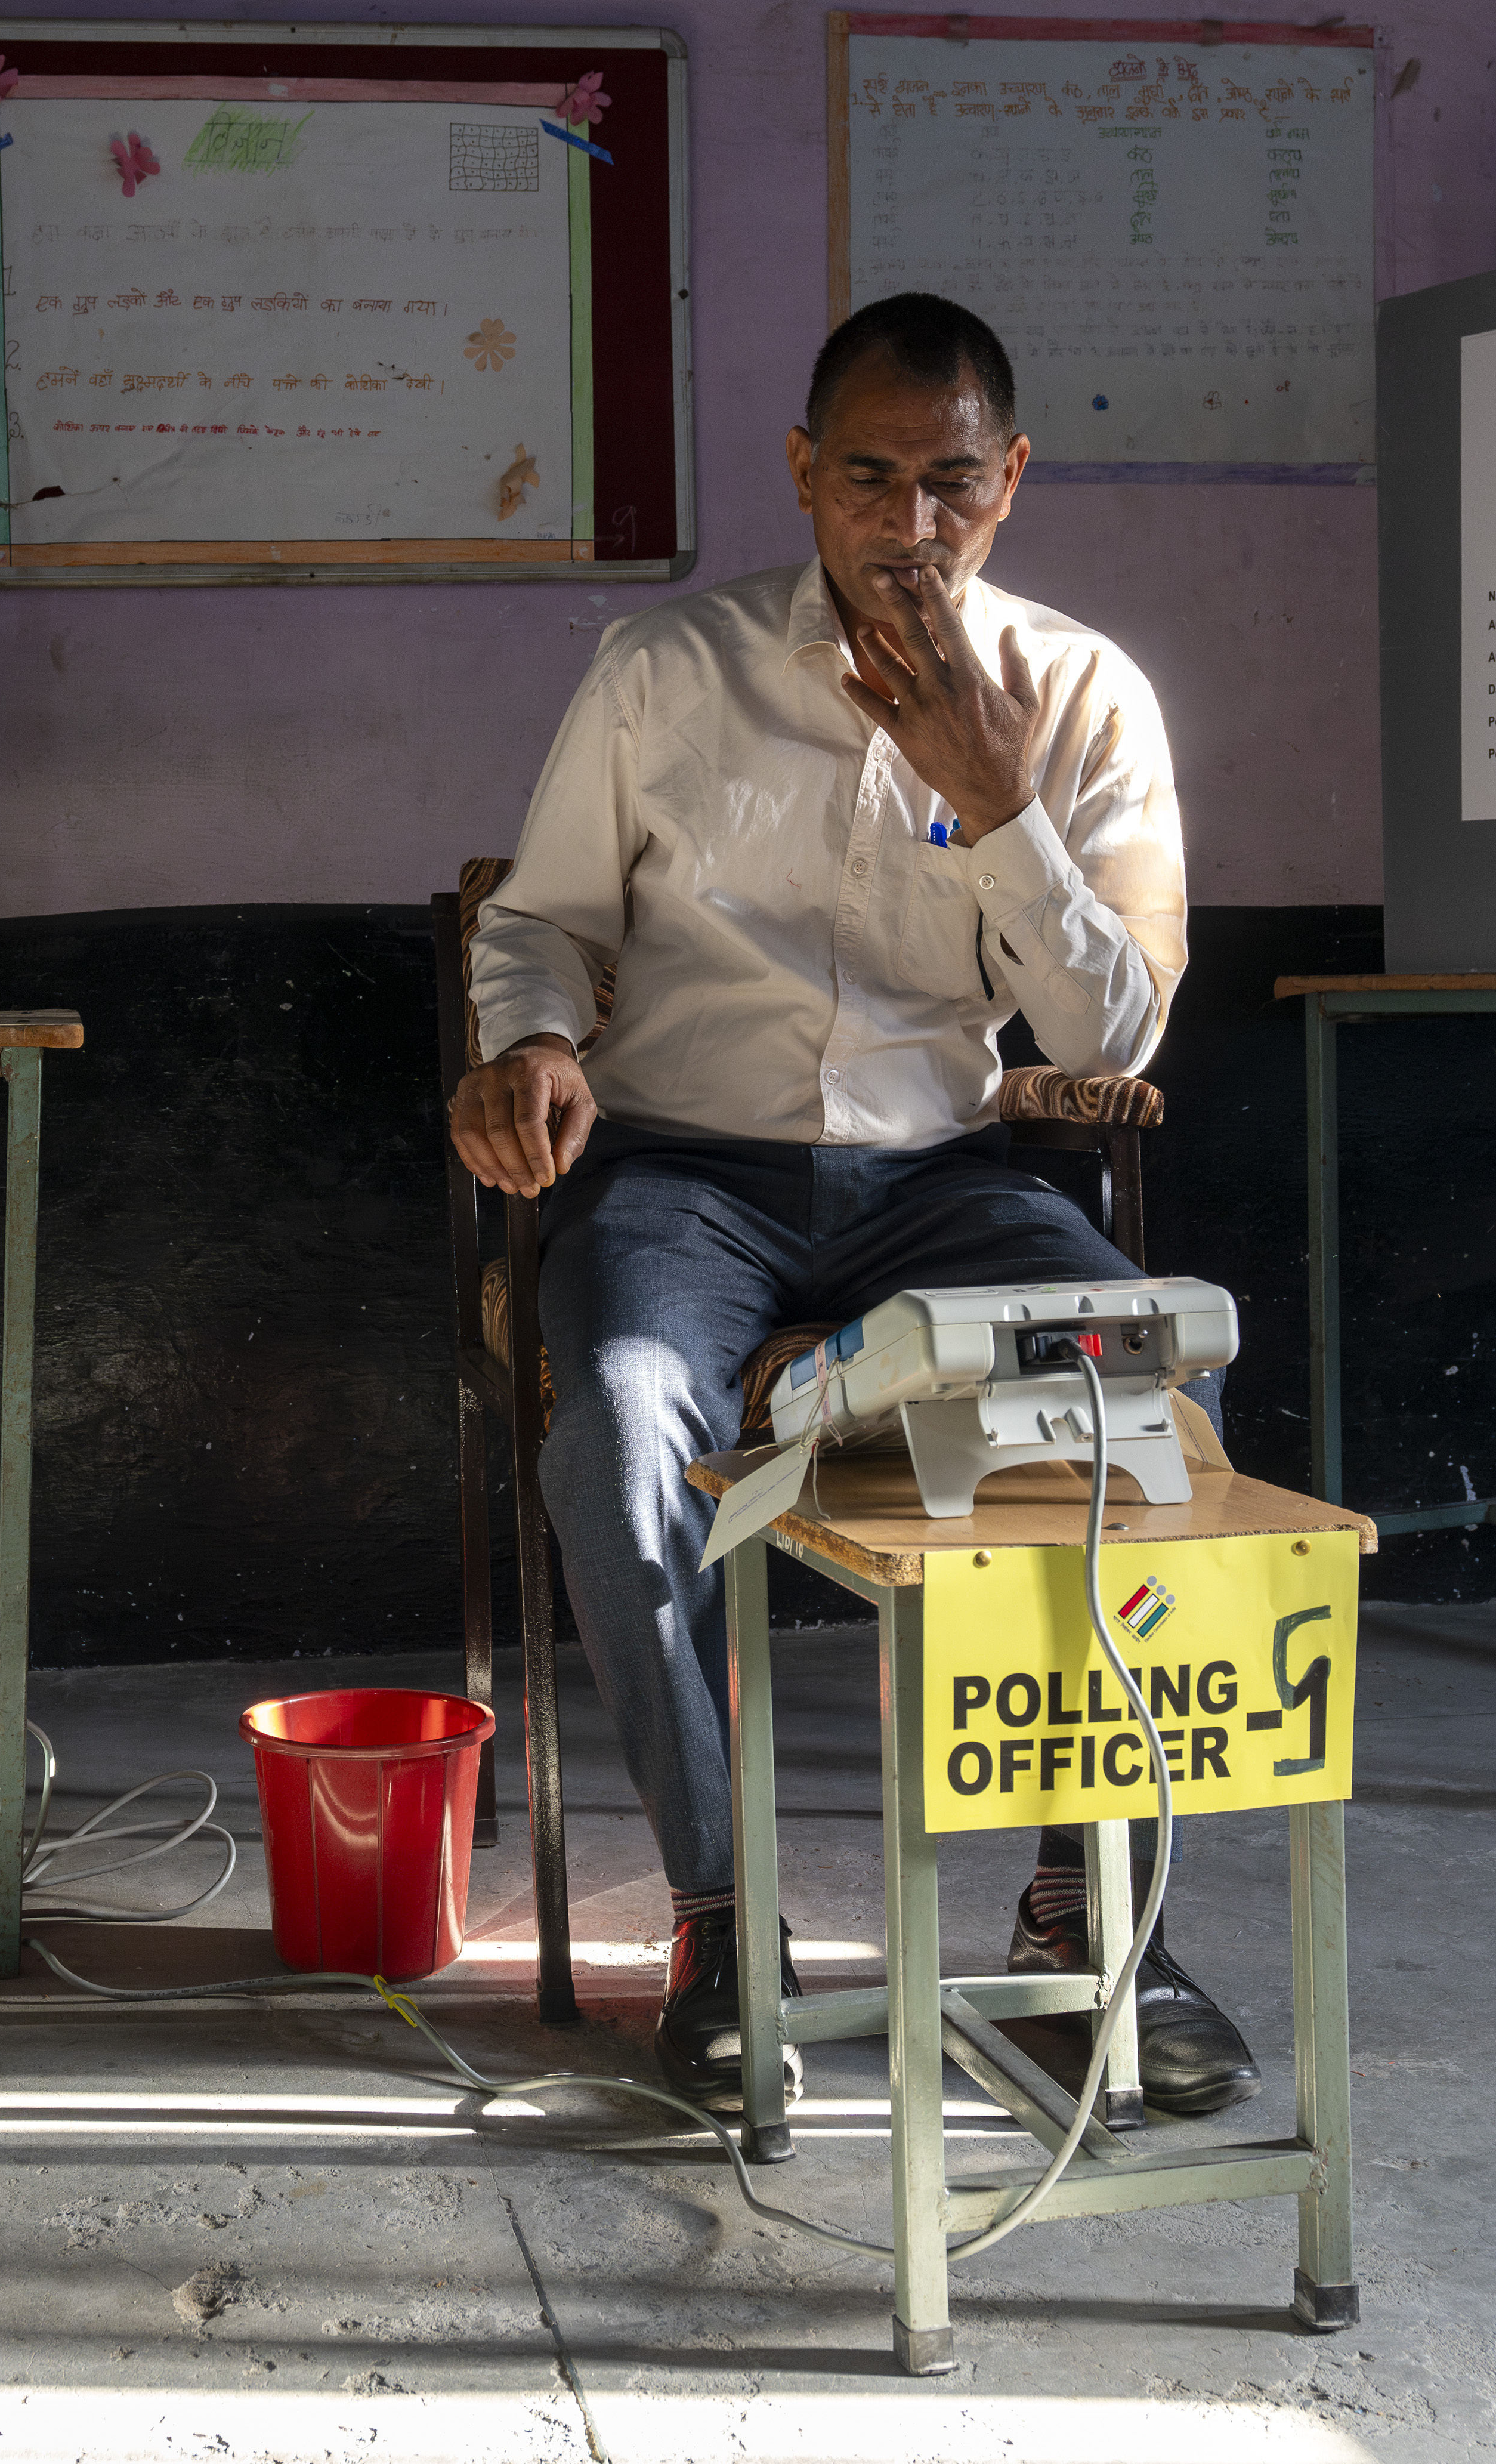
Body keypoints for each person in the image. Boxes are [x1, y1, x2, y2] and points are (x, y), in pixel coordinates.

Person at [455, 292, 1251, 2119]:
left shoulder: (1083, 694)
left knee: (1158, 1400)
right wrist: (537, 1041)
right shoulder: (668, 670)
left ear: (1014, 479)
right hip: (683, 1174)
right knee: (622, 1424)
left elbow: (1110, 1027)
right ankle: (726, 1913)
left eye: (953, 486)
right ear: (804, 473)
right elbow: (539, 919)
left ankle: (1084, 1904)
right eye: (871, 479)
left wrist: (1000, 801)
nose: (911, 527)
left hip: (946, 1182)